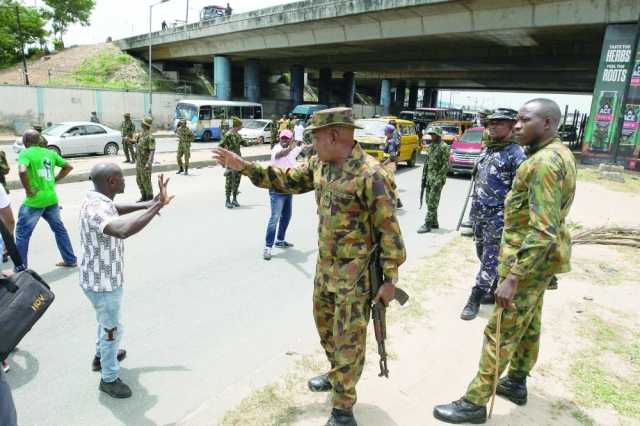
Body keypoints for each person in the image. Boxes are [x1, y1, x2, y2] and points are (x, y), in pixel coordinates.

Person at [214, 107, 406, 426]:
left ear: (335, 134)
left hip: (356, 277)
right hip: (326, 270)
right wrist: (244, 167)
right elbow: (287, 180)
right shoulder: (321, 164)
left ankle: (344, 408)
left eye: (315, 137)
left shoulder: (371, 174)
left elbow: (390, 232)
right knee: (326, 328)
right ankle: (336, 374)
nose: (311, 144)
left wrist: (389, 280)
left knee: (349, 339)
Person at [433, 99, 577, 424]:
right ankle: (516, 380)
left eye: (525, 120)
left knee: (499, 331)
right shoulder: (557, 154)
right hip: (538, 264)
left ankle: (474, 403)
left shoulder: (543, 163)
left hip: (525, 264)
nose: (516, 125)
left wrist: (513, 277)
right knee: (529, 326)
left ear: (548, 124)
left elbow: (543, 229)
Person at [80, 164, 174, 399]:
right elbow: (122, 230)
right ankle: (109, 378)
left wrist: (150, 203)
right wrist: (157, 207)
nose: (125, 181)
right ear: (111, 181)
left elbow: (115, 209)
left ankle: (101, 357)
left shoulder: (99, 200)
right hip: (103, 283)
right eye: (122, 178)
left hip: (100, 278)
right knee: (112, 329)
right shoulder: (95, 209)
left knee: (105, 324)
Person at [461, 108, 526, 321]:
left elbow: (522, 191)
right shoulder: (488, 149)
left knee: (490, 257)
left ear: (510, 126)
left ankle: (475, 298)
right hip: (479, 213)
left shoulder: (516, 154)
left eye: (500, 122)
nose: (493, 126)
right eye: (491, 123)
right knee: (482, 253)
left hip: (499, 216)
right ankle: (491, 288)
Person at [15, 130, 76, 268]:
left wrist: (28, 190)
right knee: (59, 229)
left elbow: (22, 170)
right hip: (51, 199)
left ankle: (20, 268)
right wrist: (55, 180)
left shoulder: (25, 153)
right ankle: (70, 260)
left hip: (34, 202)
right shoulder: (50, 153)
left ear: (25, 142)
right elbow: (68, 167)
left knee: (22, 235)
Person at [262, 129, 302, 261]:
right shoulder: (276, 149)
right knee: (275, 218)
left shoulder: (293, 150)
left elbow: (302, 148)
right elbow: (281, 154)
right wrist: (291, 147)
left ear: (290, 139)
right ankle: (268, 247)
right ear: (279, 138)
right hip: (276, 189)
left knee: (287, 216)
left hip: (288, 189)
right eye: (282, 138)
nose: (284, 140)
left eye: (286, 138)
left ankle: (280, 240)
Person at [417, 127, 449, 233]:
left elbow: (445, 166)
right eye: (431, 134)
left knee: (432, 202)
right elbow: (427, 163)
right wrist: (424, 177)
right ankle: (434, 222)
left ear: (439, 135)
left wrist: (438, 181)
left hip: (437, 180)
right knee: (429, 201)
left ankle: (427, 224)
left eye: (433, 134)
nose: (431, 136)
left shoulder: (444, 147)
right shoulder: (430, 146)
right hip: (429, 179)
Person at [218, 117, 244, 209]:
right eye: (241, 125)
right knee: (229, 180)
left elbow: (244, 143)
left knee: (237, 179)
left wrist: (255, 141)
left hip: (238, 160)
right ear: (237, 125)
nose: (242, 126)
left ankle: (235, 199)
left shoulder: (238, 135)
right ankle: (227, 200)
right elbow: (220, 146)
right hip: (230, 160)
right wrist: (223, 159)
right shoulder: (228, 134)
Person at [382, 124, 402, 208]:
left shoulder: (391, 142)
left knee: (389, 184)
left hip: (389, 165)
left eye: (385, 130)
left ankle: (395, 201)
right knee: (390, 183)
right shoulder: (389, 140)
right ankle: (396, 201)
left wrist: (383, 164)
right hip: (390, 164)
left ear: (388, 132)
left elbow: (392, 156)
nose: (384, 132)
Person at [135, 116, 156, 202]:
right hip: (139, 161)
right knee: (139, 179)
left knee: (146, 180)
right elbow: (136, 142)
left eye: (142, 122)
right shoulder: (141, 134)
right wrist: (128, 140)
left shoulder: (150, 137)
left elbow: (152, 151)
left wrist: (149, 162)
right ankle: (143, 195)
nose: (141, 123)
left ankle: (150, 197)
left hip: (145, 163)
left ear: (145, 124)